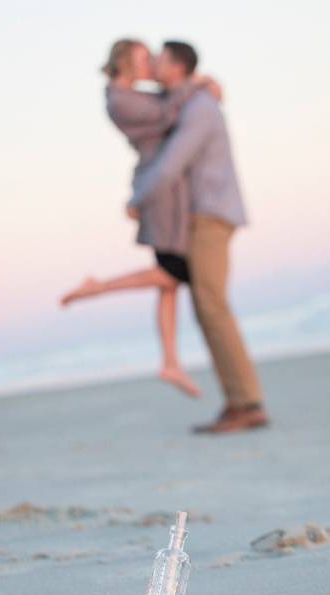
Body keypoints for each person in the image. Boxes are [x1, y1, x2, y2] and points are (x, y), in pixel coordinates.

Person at [60, 38, 221, 398]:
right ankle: (97, 287)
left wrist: (193, 86)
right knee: (175, 270)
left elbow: (167, 104)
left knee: (169, 280)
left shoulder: (132, 94)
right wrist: (197, 85)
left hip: (164, 184)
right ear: (124, 61)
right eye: (143, 57)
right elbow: (167, 114)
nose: (150, 63)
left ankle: (170, 361)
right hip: (158, 186)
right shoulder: (120, 99)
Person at [127, 41, 267, 434]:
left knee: (212, 306)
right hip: (204, 215)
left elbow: (172, 164)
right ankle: (240, 401)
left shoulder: (199, 109)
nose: (152, 64)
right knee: (208, 308)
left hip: (210, 216)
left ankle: (246, 403)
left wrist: (136, 199)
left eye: (158, 59)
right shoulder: (188, 101)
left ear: (176, 66)